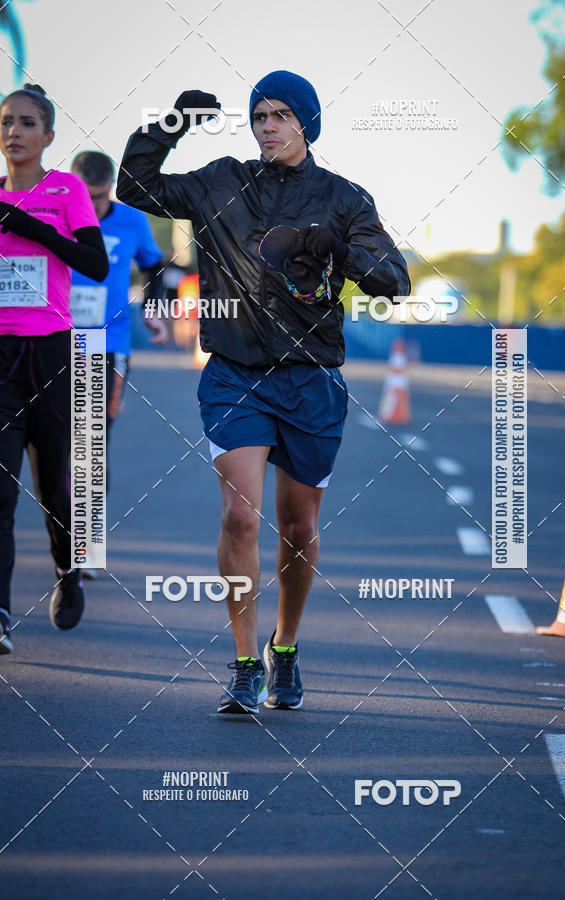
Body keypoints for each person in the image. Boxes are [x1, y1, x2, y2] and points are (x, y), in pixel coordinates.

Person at [117, 70, 410, 715]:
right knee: (240, 515)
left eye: (281, 115)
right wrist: (170, 124)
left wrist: (353, 257)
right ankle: (246, 662)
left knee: (299, 527)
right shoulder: (223, 181)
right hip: (235, 375)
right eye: (259, 116)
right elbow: (134, 186)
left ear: (307, 123)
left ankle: (286, 647)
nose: (268, 125)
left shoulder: (344, 199)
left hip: (311, 381)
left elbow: (396, 278)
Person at [0, 84, 109, 655]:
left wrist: (30, 226)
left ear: (47, 136)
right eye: (5, 122)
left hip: (52, 354)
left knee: (53, 488)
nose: (12, 132)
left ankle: (68, 573)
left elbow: (95, 264)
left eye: (25, 123)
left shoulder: (64, 189)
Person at [69, 151, 164, 498]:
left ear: (110, 187)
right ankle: (64, 530)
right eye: (84, 197)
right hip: (51, 337)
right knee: (54, 439)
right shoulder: (53, 217)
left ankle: (89, 536)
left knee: (91, 441)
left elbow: (155, 266)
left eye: (99, 196)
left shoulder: (130, 221)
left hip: (104, 341)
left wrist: (152, 311)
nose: (92, 207)